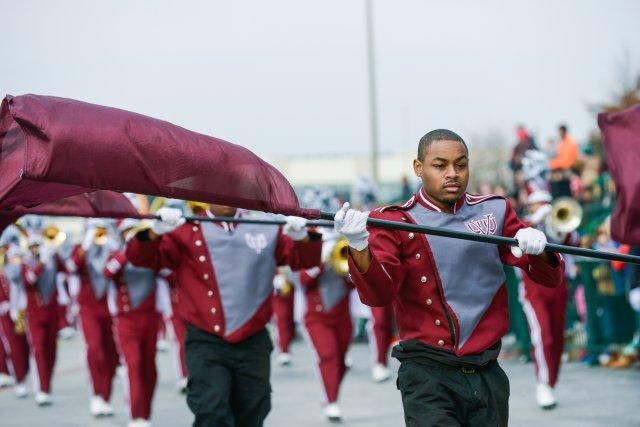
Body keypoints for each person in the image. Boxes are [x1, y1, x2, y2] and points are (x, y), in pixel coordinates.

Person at [334, 129, 564, 427]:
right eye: (440, 165)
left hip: (487, 371)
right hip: (428, 374)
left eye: (461, 164)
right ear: (419, 168)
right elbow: (378, 295)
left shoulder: (495, 209)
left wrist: (540, 249)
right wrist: (359, 246)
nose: (452, 174)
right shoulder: (395, 221)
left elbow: (549, 277)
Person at [126, 204, 321, 427]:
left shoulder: (264, 226)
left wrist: (303, 237)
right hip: (206, 338)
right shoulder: (186, 229)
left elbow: (305, 261)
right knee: (211, 410)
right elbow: (139, 259)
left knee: (253, 411)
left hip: (253, 337)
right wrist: (154, 232)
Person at [519, 190, 577, 409]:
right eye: (538, 204)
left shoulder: (556, 222)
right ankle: (542, 383)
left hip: (559, 285)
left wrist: (555, 225)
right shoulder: (525, 223)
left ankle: (551, 383)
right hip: (533, 288)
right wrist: (535, 221)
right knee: (543, 336)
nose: (543, 207)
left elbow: (574, 240)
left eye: (546, 203)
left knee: (557, 337)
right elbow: (517, 239)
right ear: (532, 207)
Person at [104, 219, 160, 427]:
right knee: (133, 365)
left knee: (149, 368)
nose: (129, 235)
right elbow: (107, 273)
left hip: (150, 317)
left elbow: (166, 272)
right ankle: (135, 416)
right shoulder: (116, 255)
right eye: (126, 232)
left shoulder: (150, 255)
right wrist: (128, 252)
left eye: (133, 232)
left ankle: (145, 414)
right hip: (126, 319)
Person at [297, 233, 353, 421]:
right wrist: (321, 261)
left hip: (342, 316)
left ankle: (329, 393)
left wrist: (350, 266)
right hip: (317, 317)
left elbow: (355, 285)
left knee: (342, 361)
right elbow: (303, 280)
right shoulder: (310, 248)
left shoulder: (344, 246)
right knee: (328, 356)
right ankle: (332, 401)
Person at [67, 219, 119, 417]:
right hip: (88, 307)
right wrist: (86, 245)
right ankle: (97, 395)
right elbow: (72, 266)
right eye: (95, 230)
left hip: (111, 307)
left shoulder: (112, 245)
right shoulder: (80, 248)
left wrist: (114, 246)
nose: (99, 233)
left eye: (102, 230)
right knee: (94, 350)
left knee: (112, 355)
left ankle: (106, 395)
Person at [21, 232, 66, 406]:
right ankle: (41, 389)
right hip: (34, 314)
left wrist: (56, 253)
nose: (36, 249)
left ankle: (47, 385)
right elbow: (28, 281)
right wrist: (41, 263)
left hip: (52, 312)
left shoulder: (51, 260)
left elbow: (66, 269)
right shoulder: (26, 263)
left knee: (51, 351)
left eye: (38, 246)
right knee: (38, 349)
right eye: (33, 247)